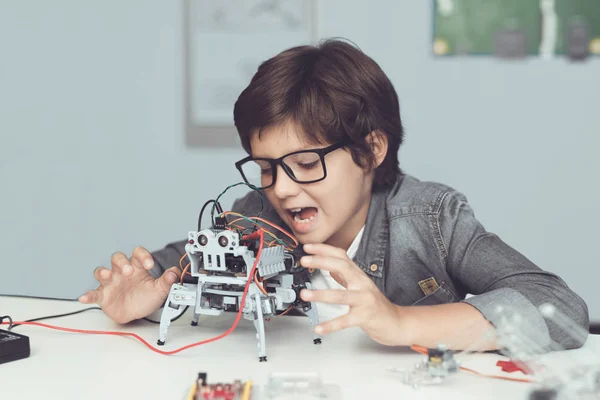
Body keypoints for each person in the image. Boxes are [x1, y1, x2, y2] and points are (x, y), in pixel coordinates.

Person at [78, 38, 589, 351]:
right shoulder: (253, 215)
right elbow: (177, 266)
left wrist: (400, 321)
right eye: (265, 168)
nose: (280, 187)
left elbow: (560, 310)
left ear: (371, 151)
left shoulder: (433, 218)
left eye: (304, 164)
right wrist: (144, 297)